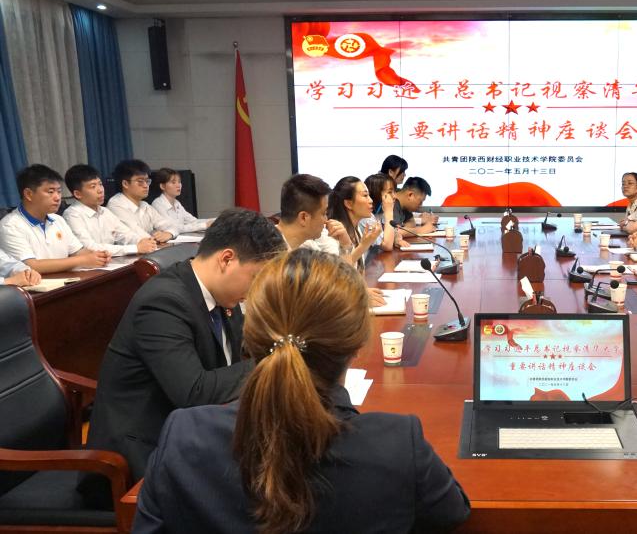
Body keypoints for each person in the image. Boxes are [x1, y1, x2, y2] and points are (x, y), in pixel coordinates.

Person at [132, 249, 471, 533]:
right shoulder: (397, 444)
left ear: (251, 336)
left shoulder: (184, 435)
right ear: (357, 344)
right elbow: (453, 514)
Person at [81, 209, 287, 505]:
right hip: (137, 459)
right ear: (227, 259)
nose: (256, 290)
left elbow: (240, 353)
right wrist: (277, 362)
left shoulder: (218, 292)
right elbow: (194, 391)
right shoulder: (163, 302)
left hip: (188, 430)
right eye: (256, 277)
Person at [0, 164, 110, 273]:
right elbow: (30, 266)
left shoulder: (58, 220)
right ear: (29, 194)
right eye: (51, 192)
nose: (57, 198)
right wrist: (83, 260)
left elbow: (77, 251)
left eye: (59, 191)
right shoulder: (10, 225)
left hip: (68, 280)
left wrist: (99, 256)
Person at [63, 164, 159, 256]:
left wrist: (143, 241)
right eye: (93, 186)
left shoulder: (105, 211)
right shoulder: (72, 215)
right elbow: (89, 247)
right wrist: (135, 248)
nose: (100, 190)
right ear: (78, 194)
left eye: (100, 184)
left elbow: (125, 234)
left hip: (112, 261)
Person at [106, 159, 177, 243]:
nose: (146, 185)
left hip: (151, 247)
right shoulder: (116, 205)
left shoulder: (145, 205)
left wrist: (169, 233)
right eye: (140, 181)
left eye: (147, 181)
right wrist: (157, 237)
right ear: (125, 184)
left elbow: (170, 226)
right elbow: (136, 234)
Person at [275, 174, 347, 254]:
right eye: (324, 213)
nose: (326, 220)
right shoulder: (268, 254)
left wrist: (345, 245)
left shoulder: (308, 245)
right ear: (303, 218)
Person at [326, 177, 384, 273]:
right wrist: (364, 245)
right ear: (349, 203)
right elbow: (340, 275)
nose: (371, 200)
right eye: (365, 195)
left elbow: (359, 272)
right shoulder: (333, 232)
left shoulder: (356, 228)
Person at [150, 168, 212, 234]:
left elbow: (193, 221)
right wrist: (204, 225)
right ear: (162, 186)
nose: (178, 185)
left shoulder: (177, 203)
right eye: (173, 182)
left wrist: (215, 221)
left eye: (179, 182)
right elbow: (174, 228)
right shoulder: (158, 204)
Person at [364, 172, 399, 251]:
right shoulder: (365, 217)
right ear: (376, 194)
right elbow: (387, 246)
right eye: (390, 192)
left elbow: (394, 232)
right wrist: (389, 212)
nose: (395, 196)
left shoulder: (380, 212)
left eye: (394, 191)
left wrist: (397, 237)